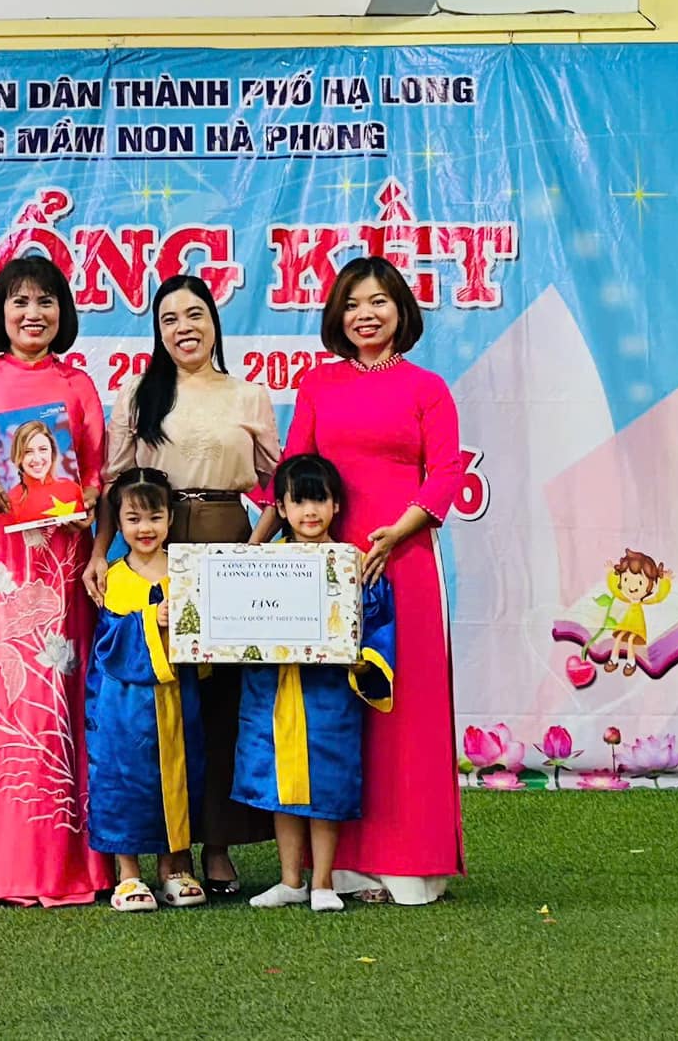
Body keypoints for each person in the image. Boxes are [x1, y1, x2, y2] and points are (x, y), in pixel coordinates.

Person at [259, 255, 463, 905]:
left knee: (403, 708)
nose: (365, 315)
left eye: (377, 301)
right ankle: (338, 869)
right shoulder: (319, 385)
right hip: (326, 564)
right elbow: (294, 469)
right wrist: (257, 546)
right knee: (332, 713)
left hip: (403, 559)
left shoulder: (428, 388)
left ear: (401, 309)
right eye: (351, 304)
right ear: (336, 317)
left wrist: (398, 533)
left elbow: (447, 472)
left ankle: (410, 865)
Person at [89, 272, 278, 895]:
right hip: (154, 540)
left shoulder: (248, 395)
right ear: (157, 331)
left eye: (194, 314)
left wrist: (252, 554)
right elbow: (115, 485)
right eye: (169, 319)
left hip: (227, 536)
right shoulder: (138, 395)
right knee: (162, 701)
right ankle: (165, 849)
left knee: (222, 699)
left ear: (213, 323)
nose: (183, 328)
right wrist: (100, 551)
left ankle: (217, 845)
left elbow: (275, 484)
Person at [0, 252, 107, 905]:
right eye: (20, 301)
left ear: (62, 312)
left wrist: (88, 496)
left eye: (46, 301)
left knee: (57, 702)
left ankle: (65, 865)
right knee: (0, 704)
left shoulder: (79, 386)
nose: (33, 313)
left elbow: (95, 473)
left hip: (61, 566)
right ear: (0, 312)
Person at [236, 455, 396, 915]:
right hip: (271, 687)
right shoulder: (260, 566)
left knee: (326, 782)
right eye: (299, 502)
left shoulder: (353, 564)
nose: (310, 511)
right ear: (280, 509)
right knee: (277, 782)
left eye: (320, 500)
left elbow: (377, 622)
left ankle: (323, 881)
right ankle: (291, 880)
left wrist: (365, 661)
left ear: (336, 505)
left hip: (329, 693)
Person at [84, 468, 207, 913]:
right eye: (133, 519)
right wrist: (149, 622)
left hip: (177, 698)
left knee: (178, 777)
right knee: (125, 781)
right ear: (118, 522)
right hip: (124, 704)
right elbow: (108, 644)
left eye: (155, 517)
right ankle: (128, 874)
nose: (145, 529)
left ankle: (173, 868)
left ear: (170, 518)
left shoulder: (188, 572)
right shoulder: (114, 578)